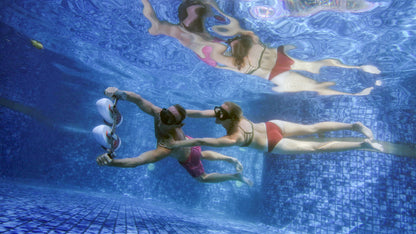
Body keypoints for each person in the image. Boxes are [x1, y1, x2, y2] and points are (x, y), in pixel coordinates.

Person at [141, 0, 380, 96]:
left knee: (315, 72)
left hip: (267, 62)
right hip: (267, 66)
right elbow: (155, 23)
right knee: (315, 79)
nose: (200, 16)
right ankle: (354, 84)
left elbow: (207, 9)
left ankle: (357, 69)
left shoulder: (203, 33)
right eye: (198, 11)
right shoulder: (183, 35)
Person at [96, 87, 253, 186]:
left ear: (178, 126)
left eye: (169, 119)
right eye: (165, 113)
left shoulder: (166, 147)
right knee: (202, 153)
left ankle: (234, 177)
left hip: (188, 157)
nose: (163, 119)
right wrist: (119, 93)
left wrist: (111, 162)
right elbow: (138, 99)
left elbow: (136, 161)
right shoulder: (158, 114)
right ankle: (230, 159)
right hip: (190, 142)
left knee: (203, 178)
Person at [161, 101, 384, 154]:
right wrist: (180, 112)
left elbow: (202, 141)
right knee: (312, 127)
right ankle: (354, 126)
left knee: (317, 147)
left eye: (218, 114)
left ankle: (362, 144)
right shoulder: (236, 116)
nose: (214, 115)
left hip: (273, 142)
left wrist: (180, 142)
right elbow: (200, 113)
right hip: (273, 125)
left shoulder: (234, 137)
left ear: (226, 119)